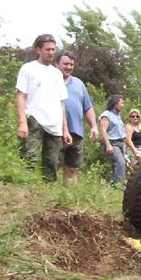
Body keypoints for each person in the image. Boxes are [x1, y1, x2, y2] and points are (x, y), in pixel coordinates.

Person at [16, 34, 72, 181]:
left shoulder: (56, 74)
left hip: (54, 123)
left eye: (53, 49)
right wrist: (22, 122)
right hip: (34, 120)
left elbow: (61, 102)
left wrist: (65, 130)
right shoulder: (28, 69)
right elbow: (21, 95)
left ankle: (48, 195)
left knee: (52, 164)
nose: (51, 53)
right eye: (48, 49)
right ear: (38, 50)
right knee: (29, 158)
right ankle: (25, 189)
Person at [54, 49, 99, 186]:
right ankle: (50, 197)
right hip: (54, 130)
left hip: (76, 131)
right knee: (53, 166)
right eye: (65, 64)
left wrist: (93, 126)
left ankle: (70, 198)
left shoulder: (79, 83)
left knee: (71, 167)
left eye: (71, 65)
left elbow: (88, 107)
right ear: (56, 64)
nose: (68, 67)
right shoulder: (51, 81)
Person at [98, 94, 131, 187]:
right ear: (115, 104)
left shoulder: (117, 116)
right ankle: (120, 185)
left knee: (121, 163)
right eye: (121, 103)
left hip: (120, 143)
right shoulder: (106, 115)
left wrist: (123, 144)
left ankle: (113, 184)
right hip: (112, 143)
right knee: (119, 162)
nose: (123, 105)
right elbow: (103, 131)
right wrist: (108, 145)